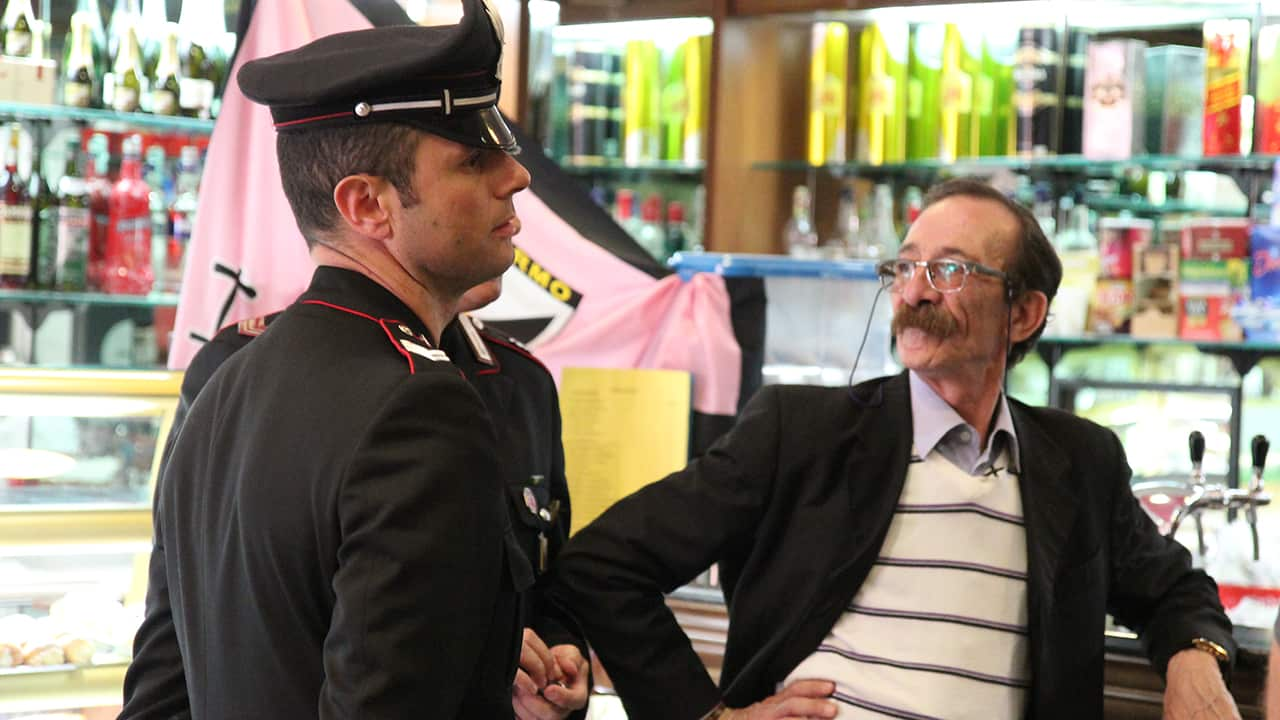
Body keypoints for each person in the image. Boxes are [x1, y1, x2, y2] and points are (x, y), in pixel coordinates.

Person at [547, 177, 1239, 720]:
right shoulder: (804, 431)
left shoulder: (1078, 461)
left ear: (1024, 313)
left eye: (951, 270)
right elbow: (604, 564)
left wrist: (1194, 660)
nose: (914, 292)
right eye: (905, 268)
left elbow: (1176, 590)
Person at [119, 2, 539, 717]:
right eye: (474, 159)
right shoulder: (416, 404)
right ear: (368, 206)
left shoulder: (227, 383)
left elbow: (162, 693)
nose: (515, 176)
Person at [131, 278, 591, 720]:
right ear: (373, 209)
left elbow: (544, 577)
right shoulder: (246, 362)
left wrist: (560, 656)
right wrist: (486, 656)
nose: (510, 204)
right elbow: (178, 611)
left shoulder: (524, 381)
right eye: (470, 190)